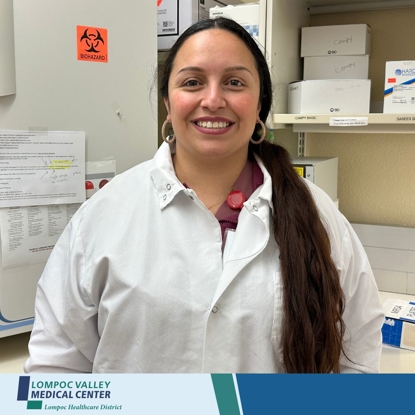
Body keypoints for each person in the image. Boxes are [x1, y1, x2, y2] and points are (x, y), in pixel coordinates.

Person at [24, 17, 384, 374]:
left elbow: (358, 357)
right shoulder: (102, 216)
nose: (212, 100)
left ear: (260, 105)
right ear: (168, 103)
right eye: (192, 82)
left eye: (234, 82)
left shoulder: (317, 214)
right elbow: (55, 369)